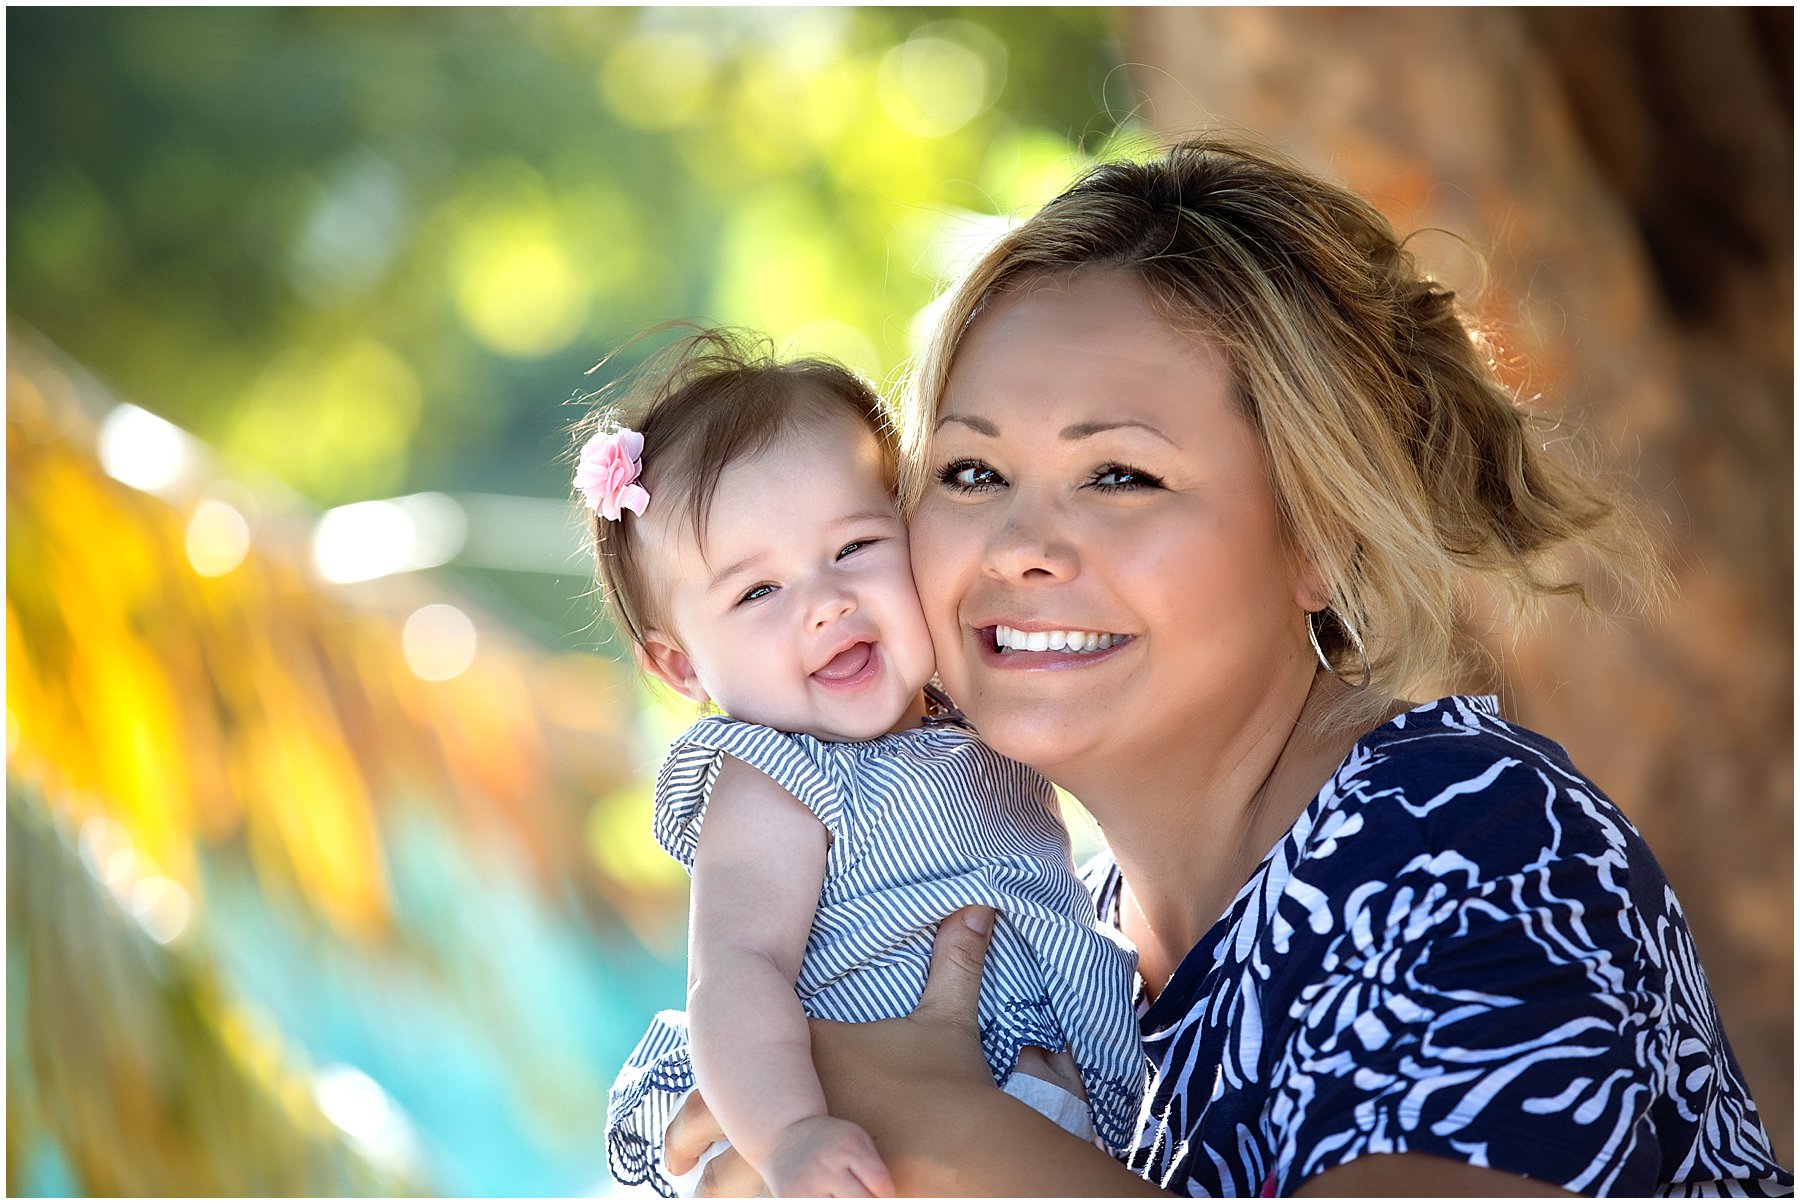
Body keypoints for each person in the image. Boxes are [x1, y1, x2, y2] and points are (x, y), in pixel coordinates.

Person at [662, 137, 1795, 1196]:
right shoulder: (1062, 943)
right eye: (969, 471)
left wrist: (945, 1125)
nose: (1018, 547)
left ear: (1318, 537)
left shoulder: (1468, 834)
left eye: (1119, 476)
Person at [579, 332, 1143, 1198]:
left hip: (1037, 1117)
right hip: (868, 1143)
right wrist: (792, 1135)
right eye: (757, 593)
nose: (826, 603)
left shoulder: (978, 716)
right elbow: (736, 970)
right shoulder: (773, 778)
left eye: (854, 549)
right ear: (680, 666)